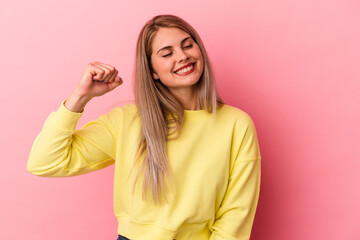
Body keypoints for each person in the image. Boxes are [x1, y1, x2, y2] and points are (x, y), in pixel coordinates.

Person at [27, 14, 262, 240]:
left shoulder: (236, 124)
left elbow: (236, 213)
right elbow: (44, 162)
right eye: (167, 53)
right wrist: (79, 98)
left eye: (188, 45)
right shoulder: (127, 121)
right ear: (152, 71)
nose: (182, 56)